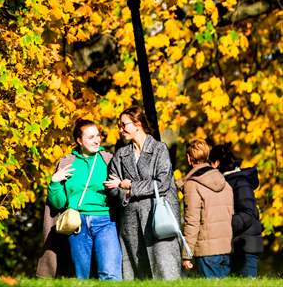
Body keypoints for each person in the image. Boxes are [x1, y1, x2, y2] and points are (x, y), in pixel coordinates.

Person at [104, 106, 181, 279]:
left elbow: (162, 184)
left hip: (159, 219)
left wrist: (130, 186)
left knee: (165, 270)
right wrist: (126, 193)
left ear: (137, 124)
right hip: (131, 222)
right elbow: (113, 188)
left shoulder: (159, 149)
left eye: (124, 125)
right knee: (139, 274)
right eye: (119, 125)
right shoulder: (121, 155)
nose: (120, 129)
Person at [39, 118, 122, 280]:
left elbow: (119, 192)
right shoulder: (67, 162)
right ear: (79, 140)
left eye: (98, 135)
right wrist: (55, 183)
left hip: (106, 221)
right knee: (82, 277)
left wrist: (119, 185)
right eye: (91, 137)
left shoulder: (109, 160)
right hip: (76, 223)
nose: (97, 140)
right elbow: (59, 203)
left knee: (110, 273)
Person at [179, 139, 233, 278]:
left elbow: (192, 222)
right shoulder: (224, 182)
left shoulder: (192, 185)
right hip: (225, 249)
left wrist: (186, 254)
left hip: (206, 251)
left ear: (189, 158)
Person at [209, 144, 263, 277]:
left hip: (245, 246)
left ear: (216, 163)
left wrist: (225, 224)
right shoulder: (230, 181)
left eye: (210, 163)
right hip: (237, 244)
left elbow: (248, 213)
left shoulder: (240, 182)